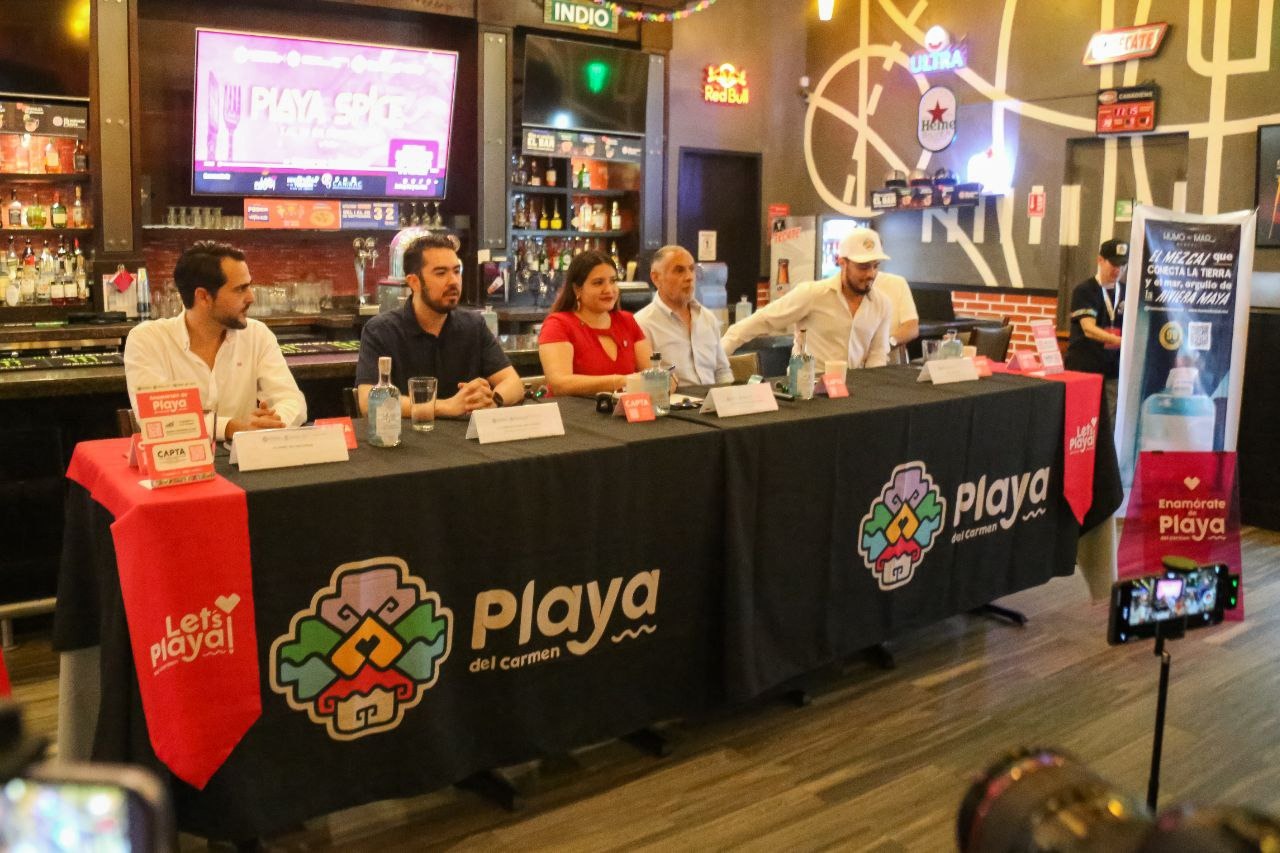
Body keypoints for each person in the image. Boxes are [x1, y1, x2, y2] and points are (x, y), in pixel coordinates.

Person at [124, 240, 306, 441]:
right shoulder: (147, 340)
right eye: (240, 289)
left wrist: (272, 423)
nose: (251, 297)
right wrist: (231, 427)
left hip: (245, 457)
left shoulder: (257, 335)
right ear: (203, 297)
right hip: (180, 459)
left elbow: (291, 400)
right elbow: (157, 419)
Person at [357, 234, 523, 416]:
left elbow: (513, 383)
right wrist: (446, 407)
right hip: (408, 434)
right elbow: (368, 402)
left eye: (456, 271)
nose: (453, 281)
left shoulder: (473, 325)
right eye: (441, 273)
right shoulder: (381, 330)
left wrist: (493, 401)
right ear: (414, 282)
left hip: (465, 434)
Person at [721, 227, 893, 372]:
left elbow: (877, 355)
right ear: (842, 262)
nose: (871, 274)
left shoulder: (882, 304)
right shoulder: (812, 294)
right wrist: (717, 358)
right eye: (863, 267)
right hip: (808, 389)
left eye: (875, 266)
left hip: (855, 391)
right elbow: (763, 320)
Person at [538, 250, 657, 396]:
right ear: (577, 289)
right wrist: (621, 381)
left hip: (624, 408)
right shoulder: (558, 324)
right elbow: (560, 384)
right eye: (598, 283)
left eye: (613, 281)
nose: (609, 289)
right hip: (571, 409)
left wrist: (665, 379)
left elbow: (651, 372)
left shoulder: (627, 320)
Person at [634, 244, 734, 387]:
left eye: (692, 269)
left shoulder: (707, 317)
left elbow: (722, 371)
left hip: (714, 396)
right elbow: (648, 383)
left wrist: (730, 395)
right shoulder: (642, 324)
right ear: (656, 278)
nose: (689, 277)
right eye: (679, 270)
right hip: (674, 398)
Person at [1065, 238, 1127, 421]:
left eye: (1123, 265)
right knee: (1082, 420)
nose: (1118, 270)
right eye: (1113, 264)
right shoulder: (1085, 290)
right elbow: (1088, 329)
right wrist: (1121, 341)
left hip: (1112, 370)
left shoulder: (1127, 292)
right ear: (1100, 260)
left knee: (1109, 422)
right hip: (1085, 369)